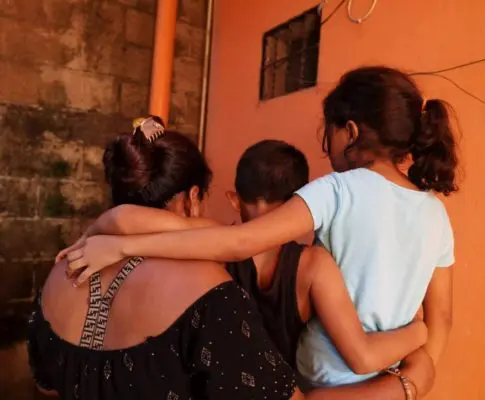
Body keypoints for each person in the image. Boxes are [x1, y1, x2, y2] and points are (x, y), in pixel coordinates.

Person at [66, 66, 456, 389]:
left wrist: (120, 246)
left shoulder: (339, 190)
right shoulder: (436, 214)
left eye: (329, 132)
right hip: (387, 377)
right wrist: (413, 378)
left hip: (318, 377)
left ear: (350, 132)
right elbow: (441, 321)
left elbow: (238, 241)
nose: (326, 144)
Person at [59, 140, 427, 380]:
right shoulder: (315, 267)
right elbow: (361, 356)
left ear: (235, 199)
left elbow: (126, 217)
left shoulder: (209, 246)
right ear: (300, 204)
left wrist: (102, 238)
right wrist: (419, 335)